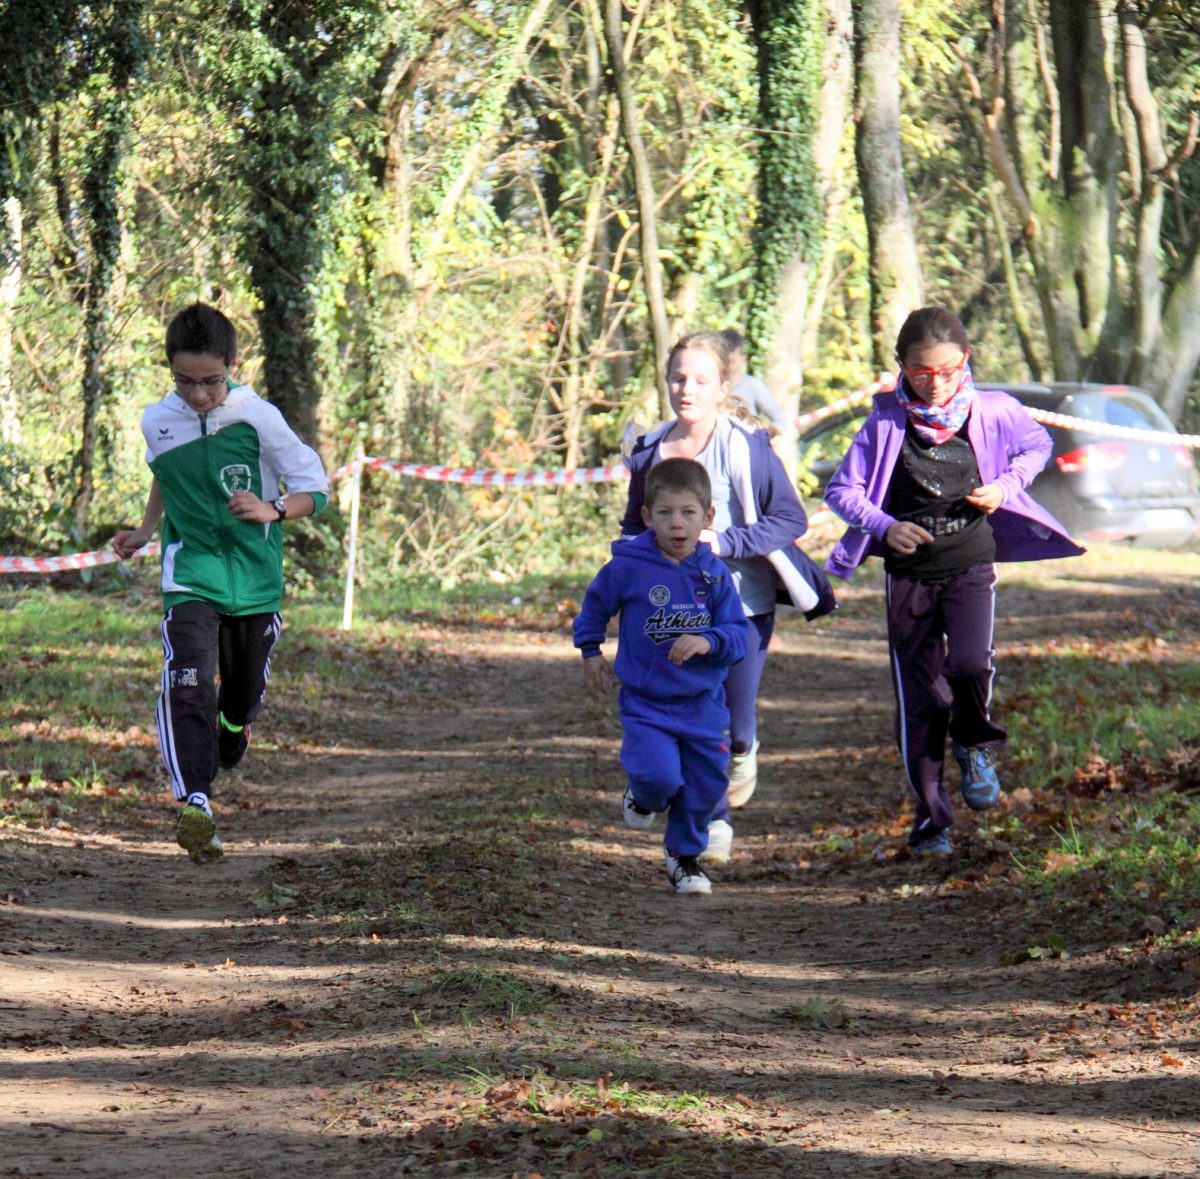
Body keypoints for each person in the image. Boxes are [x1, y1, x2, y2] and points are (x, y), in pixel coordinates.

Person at [823, 306, 1083, 856]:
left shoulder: (994, 409)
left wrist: (1006, 486)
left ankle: (974, 742)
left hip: (970, 562)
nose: (935, 383)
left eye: (946, 370)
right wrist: (885, 526)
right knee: (922, 703)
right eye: (920, 372)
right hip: (910, 576)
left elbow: (1038, 446)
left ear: (966, 360)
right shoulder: (884, 423)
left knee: (969, 666)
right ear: (901, 365)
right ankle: (931, 823)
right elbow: (841, 491)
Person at [112, 302, 329, 864]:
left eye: (210, 381)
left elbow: (316, 488)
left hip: (256, 581)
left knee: (240, 694)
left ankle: (235, 727)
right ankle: (196, 802)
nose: (198, 394)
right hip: (190, 576)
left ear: (232, 364)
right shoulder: (158, 420)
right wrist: (145, 530)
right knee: (187, 683)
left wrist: (273, 508)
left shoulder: (258, 417)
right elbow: (165, 473)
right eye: (184, 381)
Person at [621, 332, 836, 863]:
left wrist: (727, 542)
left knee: (735, 724)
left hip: (741, 605)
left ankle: (745, 748)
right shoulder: (649, 452)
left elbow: (790, 519)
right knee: (697, 718)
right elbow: (633, 528)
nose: (686, 389)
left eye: (700, 380)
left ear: (723, 387)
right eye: (678, 378)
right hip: (670, 613)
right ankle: (712, 819)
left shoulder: (745, 447)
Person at [575, 458, 748, 894]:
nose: (677, 523)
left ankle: (683, 857)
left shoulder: (715, 574)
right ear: (647, 517)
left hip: (703, 705)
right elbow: (595, 606)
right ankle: (642, 794)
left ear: (707, 517)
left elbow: (737, 635)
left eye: (688, 512)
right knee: (658, 780)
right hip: (647, 702)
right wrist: (591, 651)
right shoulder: (628, 567)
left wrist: (707, 640)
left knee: (706, 785)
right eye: (665, 513)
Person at [720, 328, 789, 435]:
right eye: (724, 361)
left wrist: (762, 438)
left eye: (732, 361)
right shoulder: (709, 387)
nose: (728, 366)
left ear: (743, 359)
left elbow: (780, 421)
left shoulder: (753, 385)